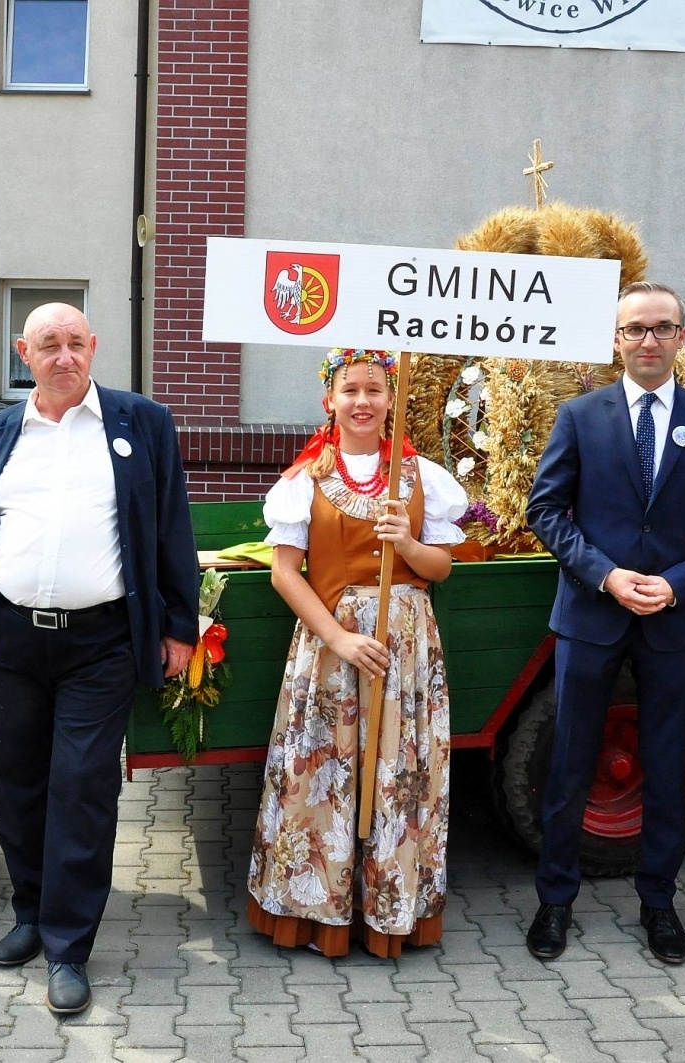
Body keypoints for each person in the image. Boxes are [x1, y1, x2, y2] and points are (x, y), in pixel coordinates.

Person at [0, 303, 199, 1016]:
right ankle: (30, 908)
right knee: (20, 782)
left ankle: (68, 945)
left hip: (102, 643)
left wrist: (181, 624)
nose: (63, 356)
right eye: (48, 344)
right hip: (10, 641)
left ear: (94, 347)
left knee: (83, 786)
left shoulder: (140, 422)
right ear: (24, 351)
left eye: (75, 343)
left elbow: (172, 526)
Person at [521, 282, 685, 966]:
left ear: (682, 336)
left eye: (662, 328)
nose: (648, 340)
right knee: (569, 762)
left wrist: (677, 582)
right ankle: (555, 900)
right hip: (593, 613)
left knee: (666, 759)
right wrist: (607, 574)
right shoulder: (580, 416)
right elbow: (548, 511)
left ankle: (659, 903)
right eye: (635, 330)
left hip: (671, 623)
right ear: (616, 340)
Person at [245, 348, 466, 959]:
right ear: (330, 400)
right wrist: (337, 637)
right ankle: (318, 913)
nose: (363, 401)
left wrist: (409, 544)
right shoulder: (304, 479)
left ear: (391, 399)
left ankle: (391, 909)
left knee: (400, 775)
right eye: (351, 390)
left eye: (375, 389)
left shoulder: (422, 476)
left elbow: (441, 568)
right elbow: (286, 574)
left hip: (406, 647)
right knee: (325, 774)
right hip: (331, 645)